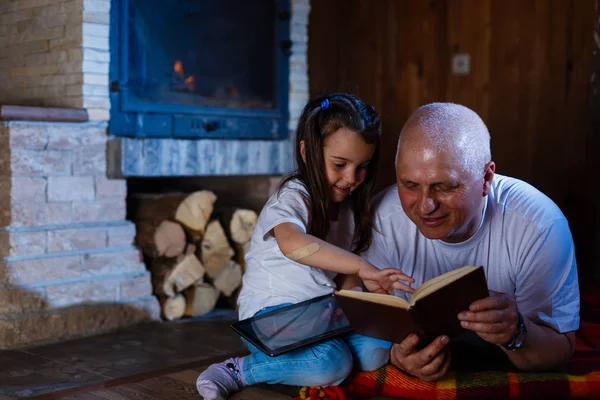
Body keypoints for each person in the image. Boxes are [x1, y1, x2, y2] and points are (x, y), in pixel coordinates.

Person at [196, 93, 415, 400]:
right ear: (307, 152)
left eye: (362, 167)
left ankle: (315, 361)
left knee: (376, 350)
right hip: (270, 317)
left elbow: (344, 282)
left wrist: (368, 300)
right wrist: (360, 265)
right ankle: (239, 370)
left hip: (320, 317)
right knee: (329, 363)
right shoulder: (293, 195)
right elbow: (292, 243)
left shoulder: (349, 212)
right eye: (339, 164)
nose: (351, 178)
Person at [363, 102, 580, 382]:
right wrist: (398, 356)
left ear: (487, 177)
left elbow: (562, 348)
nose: (426, 206)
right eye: (410, 185)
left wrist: (516, 332)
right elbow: (378, 330)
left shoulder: (539, 225)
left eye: (445, 186)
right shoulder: (383, 218)